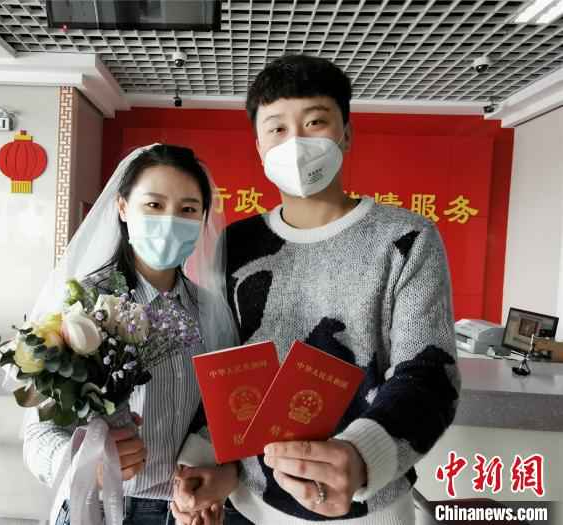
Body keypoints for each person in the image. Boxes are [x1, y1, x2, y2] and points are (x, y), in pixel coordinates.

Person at [172, 54, 461, 525]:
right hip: (250, 504)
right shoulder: (236, 244)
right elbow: (224, 371)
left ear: (346, 133)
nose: (296, 144)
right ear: (259, 147)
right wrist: (212, 463)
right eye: (277, 129)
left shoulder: (406, 239)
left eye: (315, 122)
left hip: (368, 509)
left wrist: (361, 457)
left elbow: (430, 375)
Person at [24, 144, 237, 525]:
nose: (170, 221)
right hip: (99, 507)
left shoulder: (211, 312)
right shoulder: (81, 306)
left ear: (203, 218)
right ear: (123, 208)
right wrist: (84, 464)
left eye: (188, 209)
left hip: (181, 511)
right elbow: (37, 436)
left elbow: (221, 415)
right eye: (154, 205)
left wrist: (206, 484)